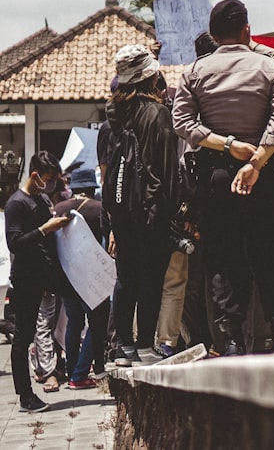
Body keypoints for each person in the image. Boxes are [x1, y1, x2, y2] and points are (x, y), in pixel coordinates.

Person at [173, 0, 274, 355]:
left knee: (223, 261)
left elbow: (182, 123)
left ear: (212, 34)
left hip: (215, 176)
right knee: (269, 254)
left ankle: (230, 342)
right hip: (264, 174)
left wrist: (227, 146)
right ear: (247, 30)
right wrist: (256, 162)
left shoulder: (194, 72)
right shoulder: (271, 69)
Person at [105, 45, 178, 367]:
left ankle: (123, 346)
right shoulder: (157, 114)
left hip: (121, 208)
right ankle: (145, 345)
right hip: (151, 210)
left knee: (126, 278)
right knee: (151, 279)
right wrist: (174, 214)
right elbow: (167, 171)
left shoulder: (116, 114)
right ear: (152, 76)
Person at [5, 151, 71, 413]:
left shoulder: (42, 200)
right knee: (23, 339)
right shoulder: (16, 204)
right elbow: (15, 243)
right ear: (35, 176)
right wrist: (45, 229)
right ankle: (25, 396)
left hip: (44, 278)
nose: (52, 184)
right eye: (49, 179)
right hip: (24, 281)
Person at [53, 167, 110, 388]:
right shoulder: (98, 209)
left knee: (73, 323)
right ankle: (79, 375)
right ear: (91, 188)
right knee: (96, 325)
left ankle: (71, 371)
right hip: (91, 277)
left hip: (66, 276)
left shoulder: (58, 208)